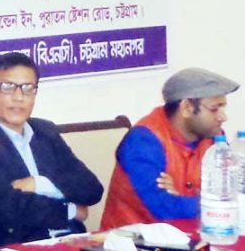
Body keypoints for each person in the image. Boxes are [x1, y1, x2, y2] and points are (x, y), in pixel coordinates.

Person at [0, 52, 103, 248]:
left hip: (70, 242)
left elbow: (91, 188)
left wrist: (40, 184)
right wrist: (72, 211)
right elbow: (10, 209)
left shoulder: (46, 131)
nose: (19, 97)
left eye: (28, 88)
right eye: (7, 87)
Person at [101, 68, 239, 229]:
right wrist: (213, 201)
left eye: (223, 108)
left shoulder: (214, 139)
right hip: (132, 245)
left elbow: (230, 190)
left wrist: (183, 196)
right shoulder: (143, 140)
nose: (223, 117)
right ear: (187, 107)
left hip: (197, 237)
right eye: (214, 109)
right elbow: (165, 209)